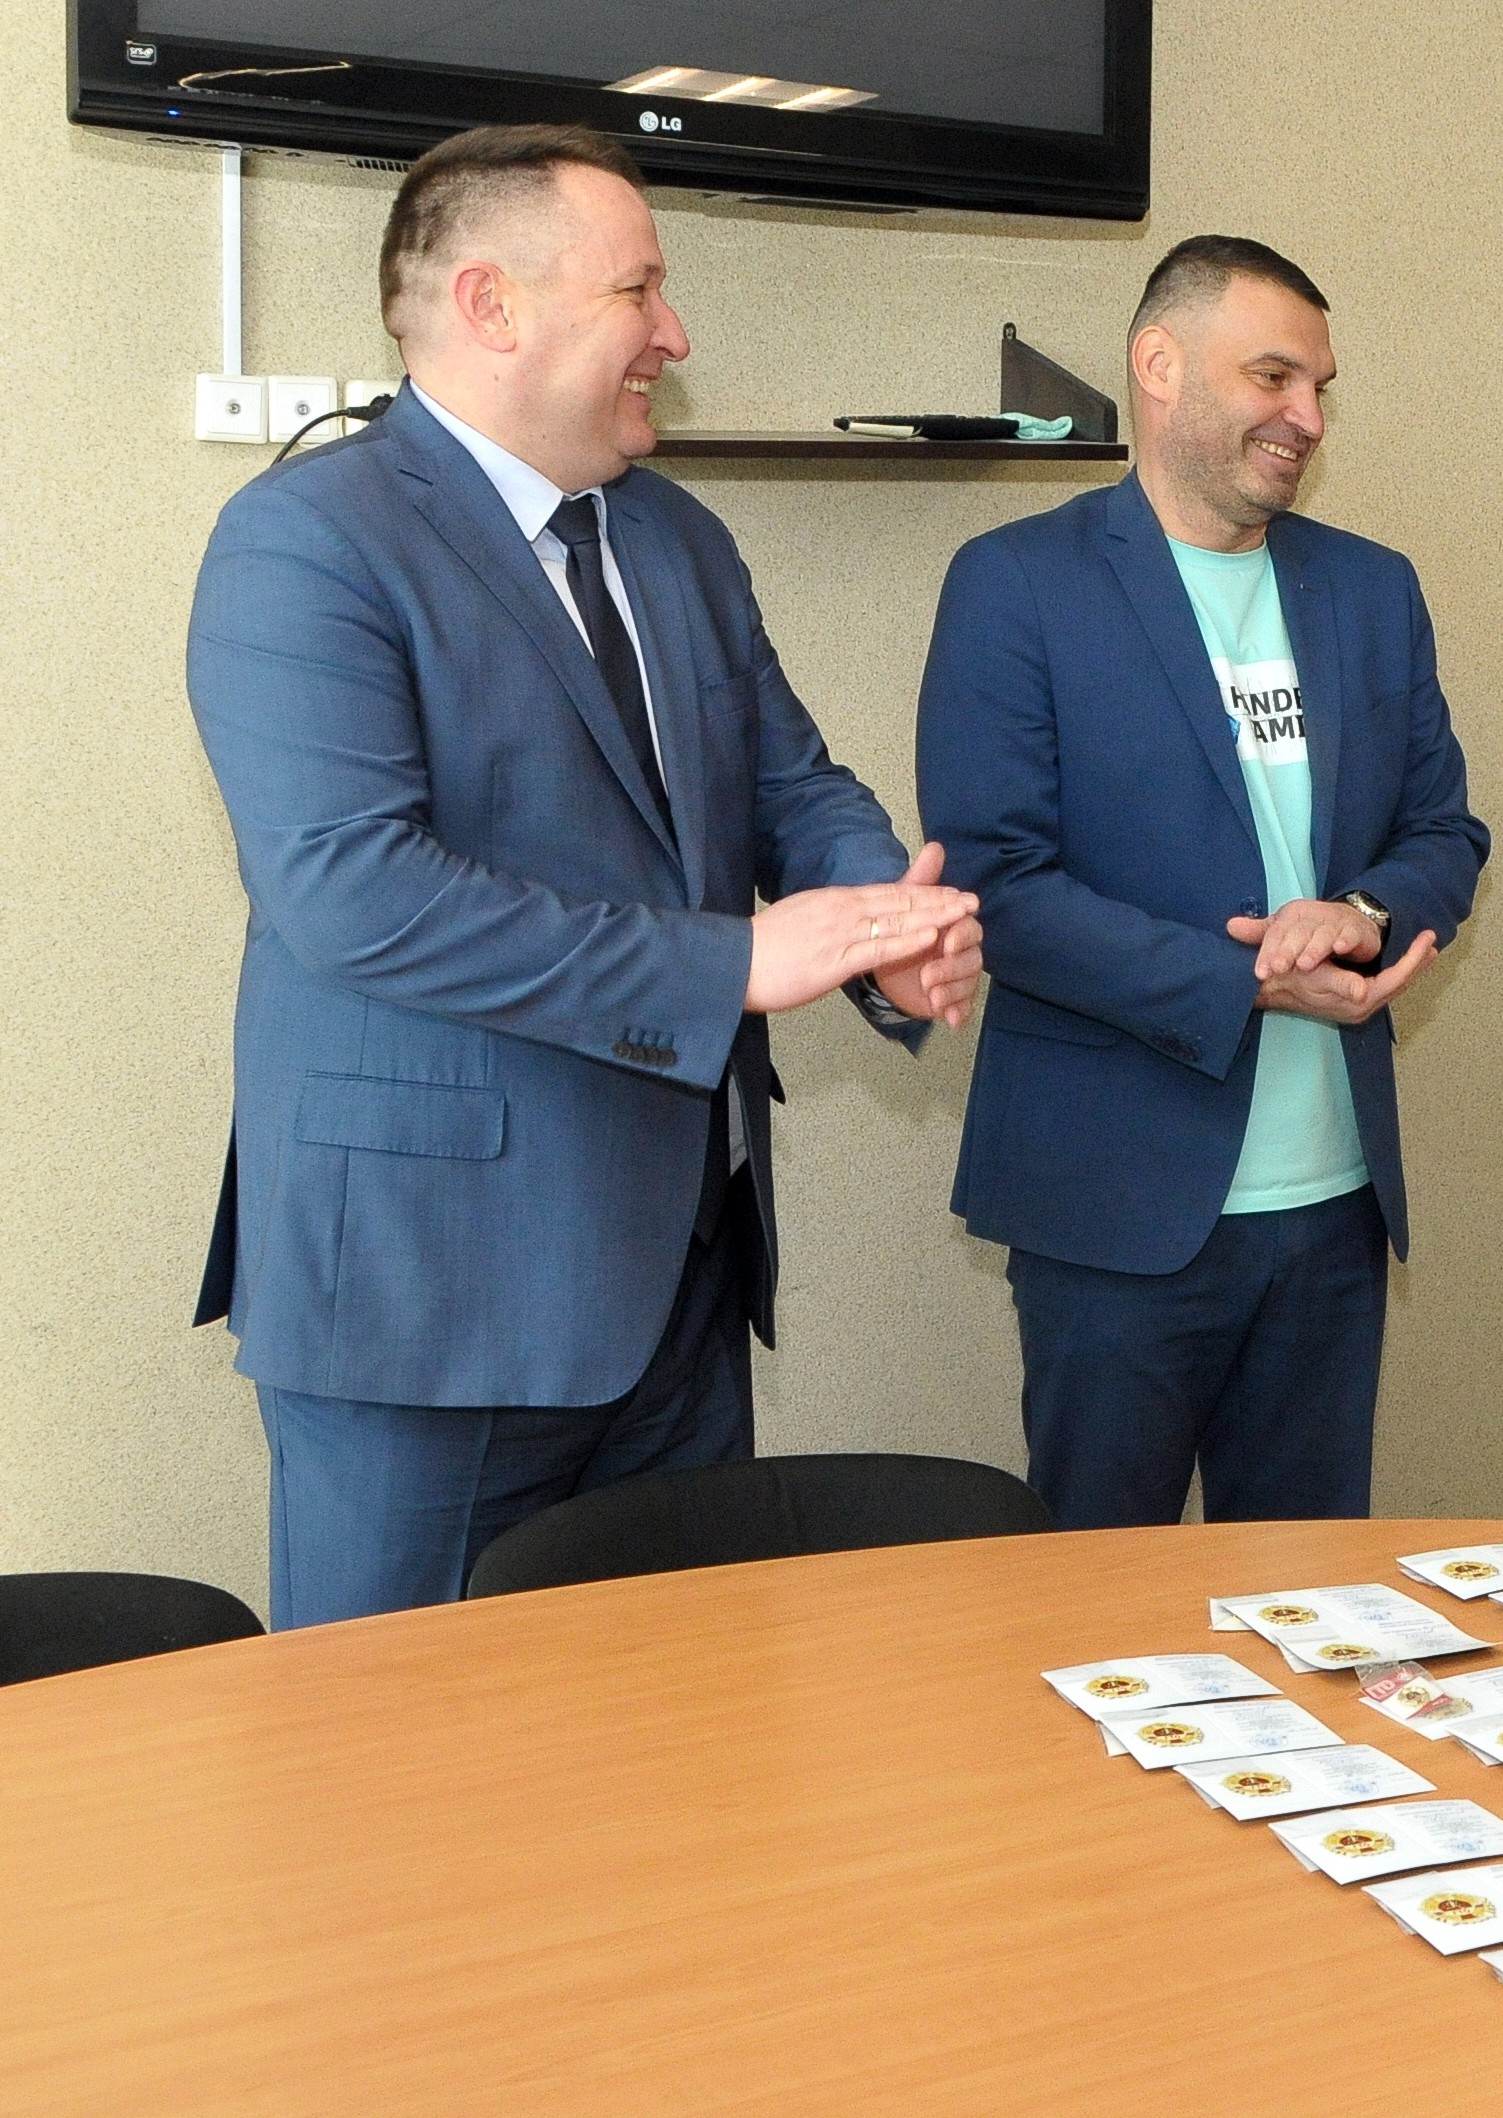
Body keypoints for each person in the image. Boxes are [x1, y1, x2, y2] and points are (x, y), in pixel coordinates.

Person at [187, 126, 982, 1628]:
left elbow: (791, 787)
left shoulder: (679, 539)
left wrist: (883, 916)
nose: (674, 336)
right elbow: (354, 893)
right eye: (640, 290)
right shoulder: (304, 542)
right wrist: (735, 964)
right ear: (490, 304)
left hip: (678, 1292)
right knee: (400, 1752)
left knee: (672, 1729)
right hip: (429, 1311)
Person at [917, 236, 1488, 1529]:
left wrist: (1361, 915)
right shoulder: (1017, 584)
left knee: (1306, 1603)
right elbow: (997, 885)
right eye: (1273, 377)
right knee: (1100, 1600)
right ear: (1158, 365)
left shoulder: (1370, 589)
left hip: (1331, 1208)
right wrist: (1249, 983)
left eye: (1319, 387)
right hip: (1113, 1209)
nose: (1306, 417)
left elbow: (1442, 829)